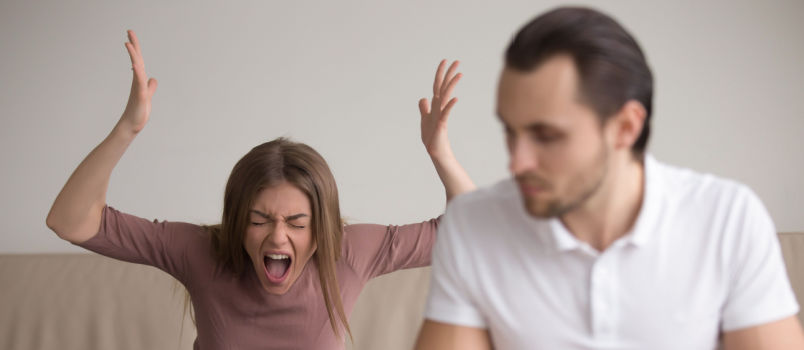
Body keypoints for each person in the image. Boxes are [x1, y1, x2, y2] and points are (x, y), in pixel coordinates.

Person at [45, 30, 475, 350]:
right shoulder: (201, 251)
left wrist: (441, 154)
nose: (277, 236)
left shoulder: (349, 252)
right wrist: (127, 128)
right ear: (237, 220)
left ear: (320, 227)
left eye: (297, 222)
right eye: (259, 220)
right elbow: (70, 220)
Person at [414, 6, 804, 350]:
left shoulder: (727, 219)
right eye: (510, 132)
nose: (516, 163)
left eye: (547, 136)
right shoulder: (473, 226)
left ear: (625, 127)